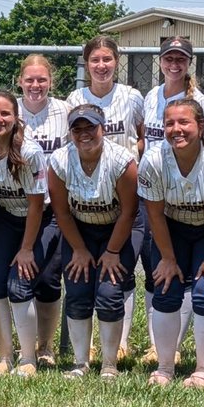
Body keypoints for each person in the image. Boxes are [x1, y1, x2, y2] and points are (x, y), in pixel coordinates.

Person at [138, 99, 204, 388]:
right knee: (166, 288)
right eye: (169, 123)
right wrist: (168, 258)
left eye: (184, 122)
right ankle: (164, 368)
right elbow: (155, 215)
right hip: (171, 229)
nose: (176, 129)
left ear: (201, 125)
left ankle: (203, 370)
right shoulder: (154, 159)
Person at [137, 37, 204, 365]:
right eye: (168, 57)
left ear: (189, 62)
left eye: (180, 58)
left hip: (189, 195)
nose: (174, 64)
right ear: (159, 61)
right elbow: (144, 140)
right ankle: (158, 345)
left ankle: (179, 344)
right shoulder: (151, 96)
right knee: (154, 267)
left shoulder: (201, 102)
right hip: (156, 189)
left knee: (188, 278)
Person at [66, 36, 145, 360]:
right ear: (86, 64)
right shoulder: (75, 97)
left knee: (119, 275)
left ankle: (121, 343)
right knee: (81, 278)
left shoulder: (131, 96)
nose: (101, 66)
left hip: (122, 189)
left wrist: (125, 163)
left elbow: (141, 136)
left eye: (107, 60)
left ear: (116, 61)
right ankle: (84, 346)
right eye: (95, 60)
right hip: (86, 192)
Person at [47, 103, 138, 380]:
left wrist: (112, 251)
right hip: (80, 229)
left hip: (119, 228)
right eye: (78, 128)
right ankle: (80, 363)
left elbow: (129, 211)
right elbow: (61, 212)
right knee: (77, 291)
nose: (84, 133)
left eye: (91, 127)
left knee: (109, 292)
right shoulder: (60, 160)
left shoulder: (121, 160)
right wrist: (79, 249)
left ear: (104, 128)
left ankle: (109, 364)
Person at [0, 89, 58, 377]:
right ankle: (5, 357)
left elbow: (37, 205)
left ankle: (28, 359)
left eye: (5, 114)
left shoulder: (29, 151)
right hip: (5, 217)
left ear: (15, 117)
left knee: (20, 283)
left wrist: (26, 250)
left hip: (41, 220)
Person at [16, 54, 70, 366]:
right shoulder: (12, 110)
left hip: (53, 206)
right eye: (30, 80)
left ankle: (46, 346)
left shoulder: (63, 110)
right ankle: (20, 347)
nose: (36, 85)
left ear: (51, 81)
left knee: (49, 278)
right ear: (20, 81)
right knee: (19, 277)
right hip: (15, 206)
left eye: (42, 80)